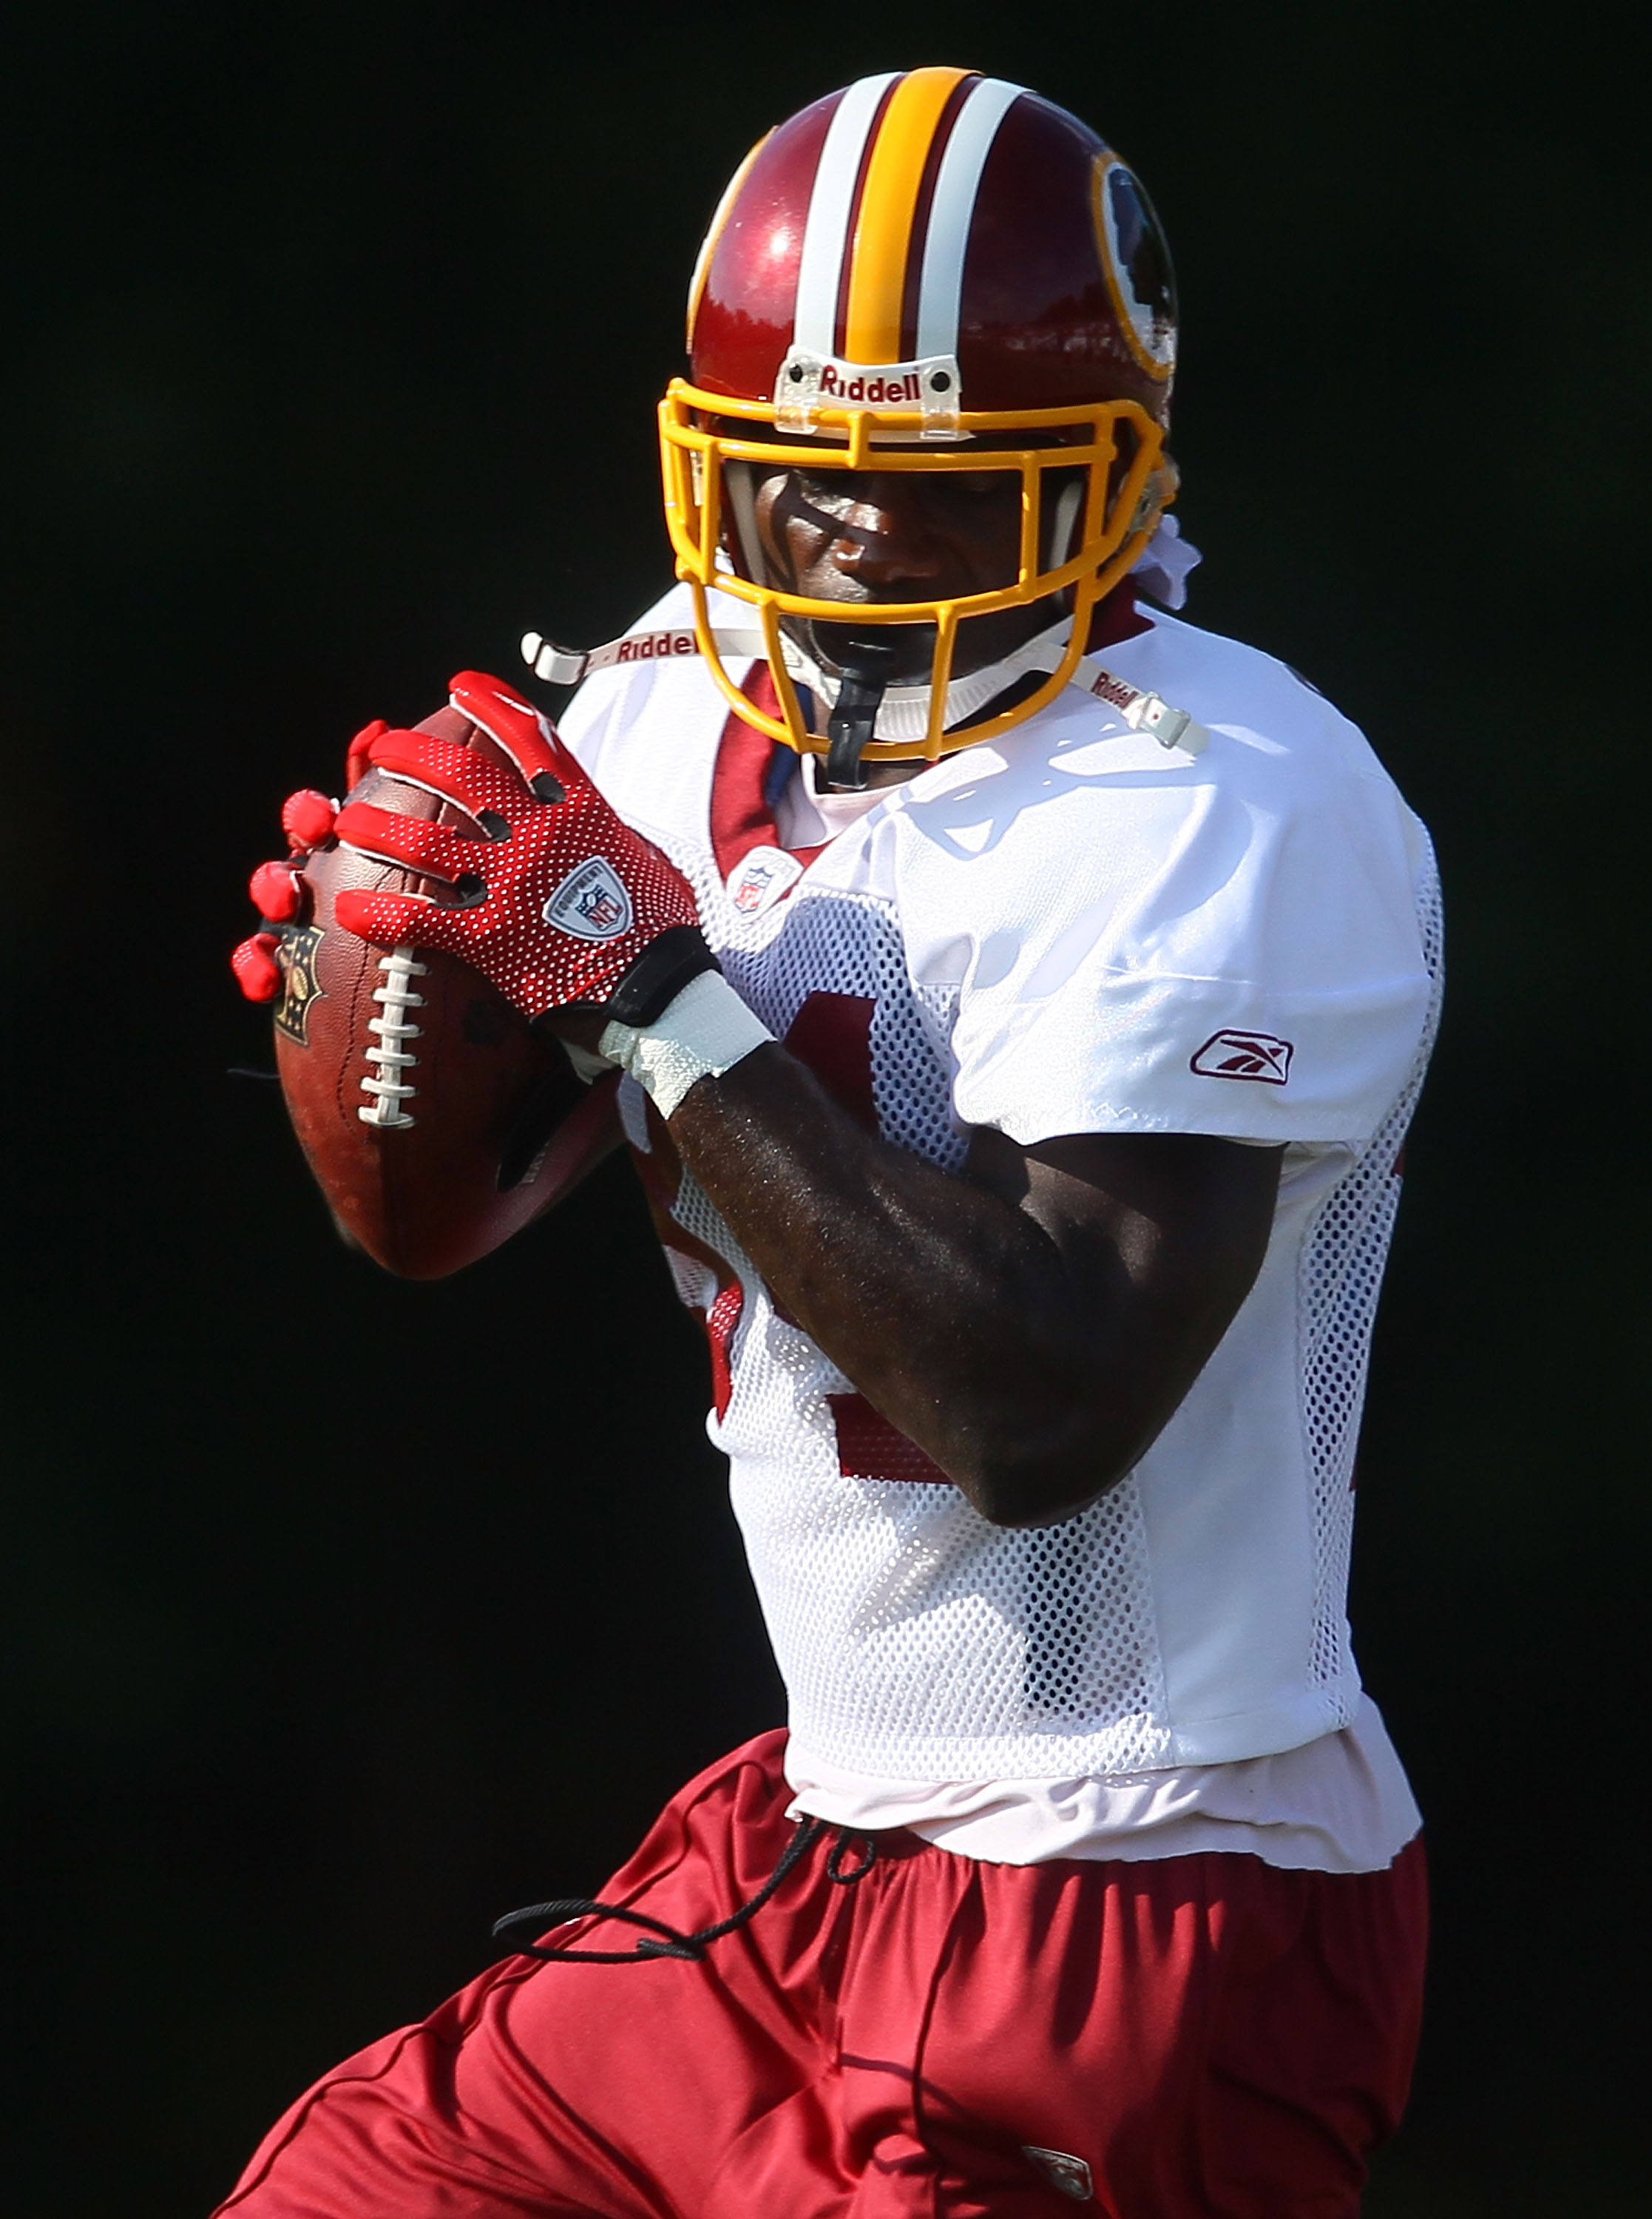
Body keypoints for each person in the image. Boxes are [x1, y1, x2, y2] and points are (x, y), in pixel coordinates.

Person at [226, 67, 1441, 2219]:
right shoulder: (663, 696)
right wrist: (388, 992)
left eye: (952, 481)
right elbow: (438, 1218)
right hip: (799, 1851)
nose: (862, 537)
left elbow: (1037, 1401)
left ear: (1111, 464)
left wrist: (639, 984)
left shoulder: (1222, 794)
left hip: (1144, 1885)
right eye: (806, 477)